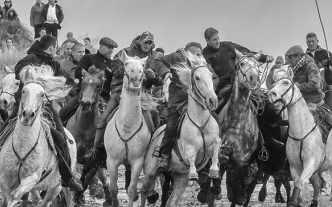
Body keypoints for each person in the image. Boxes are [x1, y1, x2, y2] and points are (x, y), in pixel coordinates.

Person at [0, 35, 83, 192]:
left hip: (45, 106)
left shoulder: (54, 63)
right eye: (55, 47)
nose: (56, 50)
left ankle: (67, 177)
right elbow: (21, 72)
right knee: (2, 136)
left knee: (61, 137)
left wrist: (69, 82)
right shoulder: (28, 59)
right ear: (51, 47)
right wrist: (36, 76)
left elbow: (62, 78)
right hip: (23, 105)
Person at [84, 31, 163, 163]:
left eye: (150, 43)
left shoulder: (154, 57)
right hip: (121, 91)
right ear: (140, 41)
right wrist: (127, 71)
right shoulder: (125, 52)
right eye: (145, 42)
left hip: (142, 94)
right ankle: (96, 149)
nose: (147, 46)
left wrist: (153, 76)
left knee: (155, 113)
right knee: (104, 117)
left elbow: (159, 80)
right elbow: (114, 67)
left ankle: (155, 147)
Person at [153, 42, 224, 174]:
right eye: (196, 54)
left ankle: (219, 152)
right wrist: (166, 73)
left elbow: (214, 78)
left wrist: (208, 86)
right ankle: (164, 156)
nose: (199, 57)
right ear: (187, 52)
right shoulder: (176, 57)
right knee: (171, 126)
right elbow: (158, 60)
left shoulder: (203, 64)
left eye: (200, 54)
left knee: (216, 119)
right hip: (178, 101)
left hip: (198, 102)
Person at [202, 27, 273, 107]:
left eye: (218, 38)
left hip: (237, 84)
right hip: (219, 90)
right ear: (207, 41)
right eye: (214, 40)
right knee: (215, 110)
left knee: (264, 102)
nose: (218, 41)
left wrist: (265, 57)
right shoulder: (204, 55)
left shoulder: (228, 46)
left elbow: (247, 52)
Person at [59, 37, 118, 124]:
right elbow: (78, 72)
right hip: (83, 94)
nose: (111, 50)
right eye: (109, 48)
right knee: (64, 111)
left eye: (112, 48)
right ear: (101, 46)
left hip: (104, 98)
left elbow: (114, 83)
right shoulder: (88, 58)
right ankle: (58, 134)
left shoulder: (112, 64)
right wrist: (90, 76)